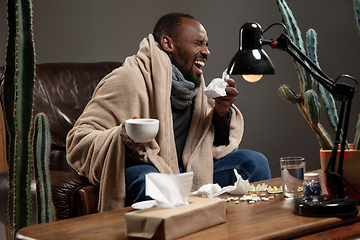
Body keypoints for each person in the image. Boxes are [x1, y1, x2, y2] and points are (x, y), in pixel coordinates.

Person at [66, 13, 271, 212]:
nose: (206, 51)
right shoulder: (127, 79)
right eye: (198, 43)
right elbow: (78, 140)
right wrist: (121, 137)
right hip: (147, 171)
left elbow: (209, 145)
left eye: (207, 45)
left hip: (190, 173)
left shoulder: (194, 86)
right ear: (168, 44)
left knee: (254, 162)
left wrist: (221, 111)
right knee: (151, 180)